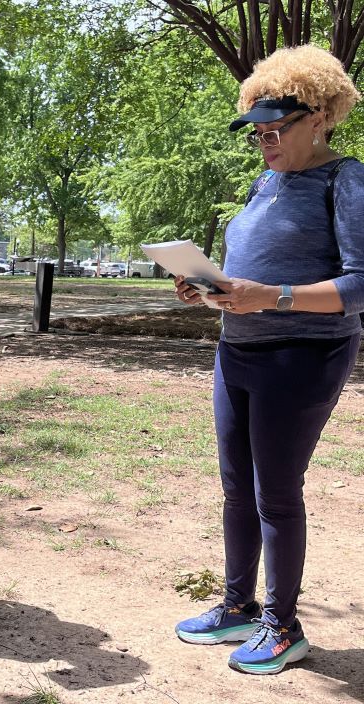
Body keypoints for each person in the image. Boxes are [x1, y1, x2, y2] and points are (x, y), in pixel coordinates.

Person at [172, 45, 364, 675]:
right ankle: (238, 606)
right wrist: (212, 288)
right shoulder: (266, 181)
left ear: (321, 117)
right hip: (239, 350)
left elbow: (360, 284)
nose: (266, 141)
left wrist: (270, 296)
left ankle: (284, 628)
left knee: (276, 493)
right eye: (258, 130)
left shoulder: (347, 178)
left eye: (278, 128)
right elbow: (253, 274)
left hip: (302, 358)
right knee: (236, 489)